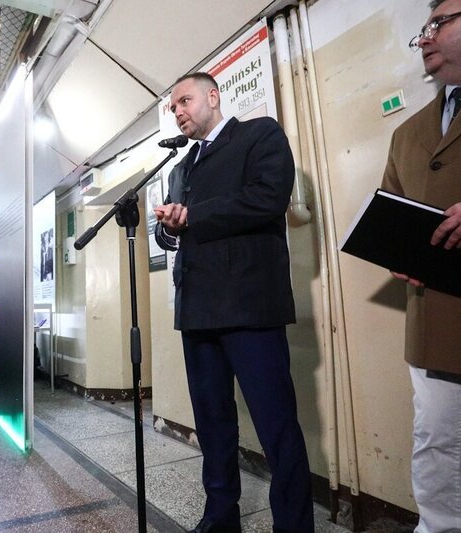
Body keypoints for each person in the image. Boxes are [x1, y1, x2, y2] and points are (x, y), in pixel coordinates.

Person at [154, 72, 313, 533]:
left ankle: (295, 526)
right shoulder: (180, 169)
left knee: (276, 426)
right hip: (198, 312)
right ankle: (221, 515)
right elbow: (172, 234)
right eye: (173, 107)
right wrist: (168, 226)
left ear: (213, 96)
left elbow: (267, 198)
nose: (178, 111)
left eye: (184, 100)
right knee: (213, 426)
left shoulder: (259, 135)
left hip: (249, 307)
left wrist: (193, 216)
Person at [382, 1, 461, 530]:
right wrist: (399, 251)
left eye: (441, 22)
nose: (426, 37)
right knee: (436, 442)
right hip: (435, 316)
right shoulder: (408, 132)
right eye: (422, 29)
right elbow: (392, 206)